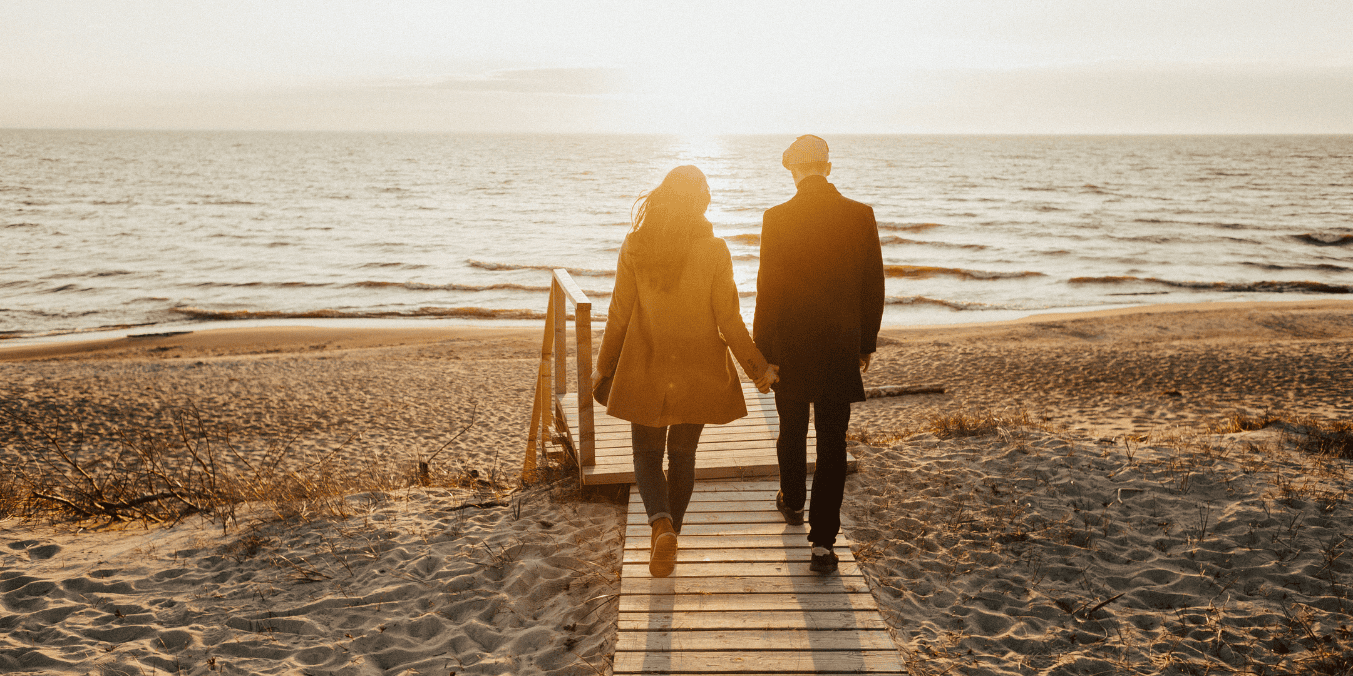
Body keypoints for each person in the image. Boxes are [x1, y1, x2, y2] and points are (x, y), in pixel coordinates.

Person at [595, 165, 778, 578]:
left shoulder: (635, 245)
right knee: (683, 456)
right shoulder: (716, 250)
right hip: (699, 368)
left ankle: (661, 526)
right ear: (701, 204)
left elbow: (619, 315)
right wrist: (758, 369)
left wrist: (603, 366)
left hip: (646, 366)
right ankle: (670, 532)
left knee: (645, 453)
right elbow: (729, 321)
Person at [754, 135, 885, 574]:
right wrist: (865, 343)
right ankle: (823, 544)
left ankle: (792, 501)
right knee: (832, 443)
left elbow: (766, 291)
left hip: (789, 347)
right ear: (827, 169)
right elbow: (873, 286)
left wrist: (762, 354)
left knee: (791, 431)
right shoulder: (860, 215)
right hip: (838, 347)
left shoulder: (776, 218)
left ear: (793, 171)